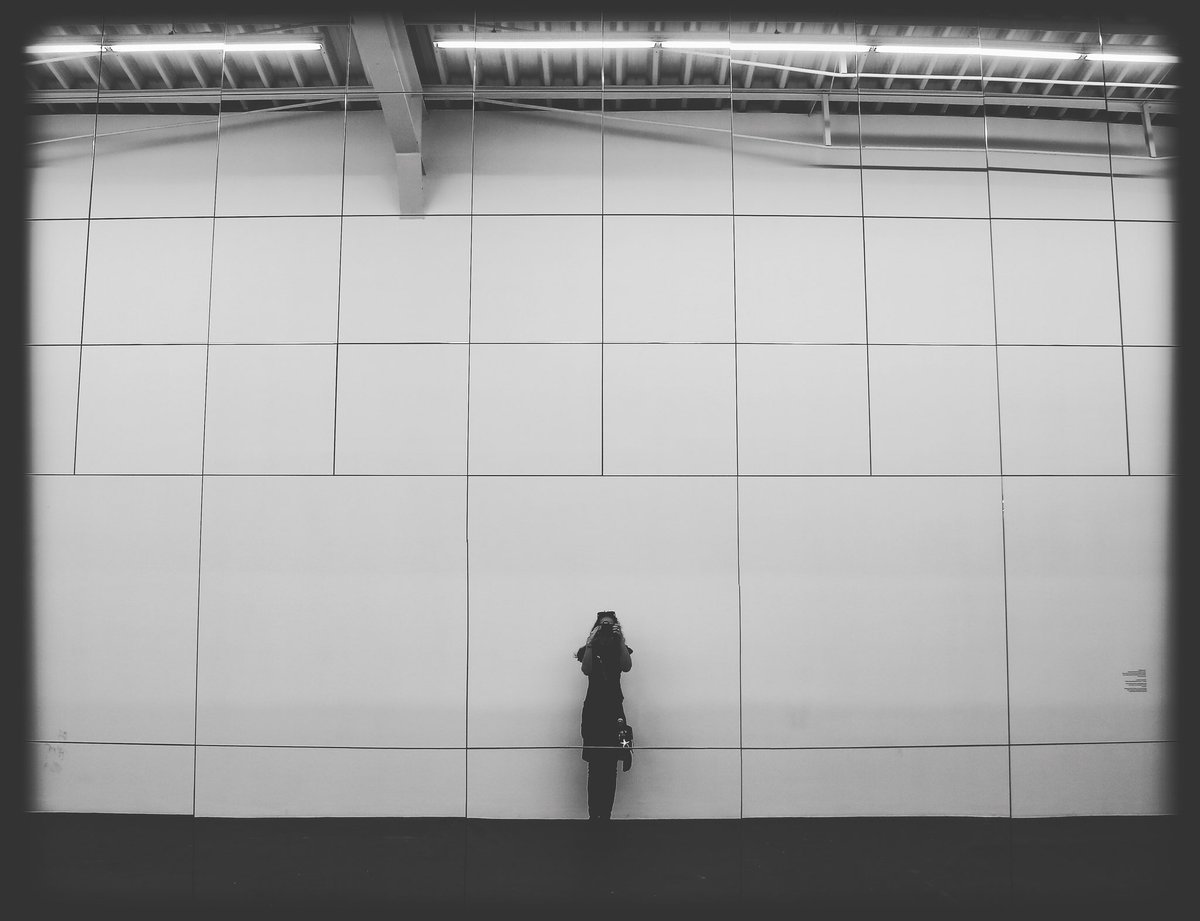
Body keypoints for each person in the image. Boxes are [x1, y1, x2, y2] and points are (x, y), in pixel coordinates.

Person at [574, 611, 632, 822]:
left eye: (610, 625)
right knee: (594, 765)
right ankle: (594, 815)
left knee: (611, 765)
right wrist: (590, 644)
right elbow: (586, 670)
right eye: (602, 625)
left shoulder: (620, 649)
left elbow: (626, 666)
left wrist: (621, 640)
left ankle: (605, 815)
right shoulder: (589, 649)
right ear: (595, 627)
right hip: (593, 710)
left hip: (614, 710)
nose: (606, 627)